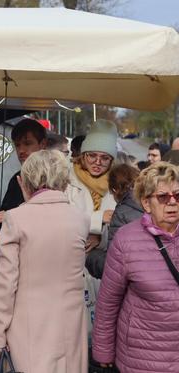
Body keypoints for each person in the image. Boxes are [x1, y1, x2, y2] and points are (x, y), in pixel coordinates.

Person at [0, 150, 89, 373]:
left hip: (29, 329)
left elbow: (5, 284)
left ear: (24, 181)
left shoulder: (15, 219)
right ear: (64, 182)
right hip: (71, 327)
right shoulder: (79, 218)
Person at [92, 162, 179, 373]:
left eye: (178, 195)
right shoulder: (126, 239)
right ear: (146, 203)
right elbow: (108, 302)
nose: (173, 202)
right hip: (141, 357)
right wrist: (103, 351)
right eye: (163, 197)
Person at [66, 119, 118, 252]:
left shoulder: (118, 184)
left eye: (105, 158)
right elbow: (62, 218)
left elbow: (120, 227)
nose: (98, 162)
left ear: (112, 161)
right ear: (83, 155)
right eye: (92, 155)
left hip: (102, 261)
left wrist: (101, 238)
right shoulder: (65, 178)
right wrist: (99, 218)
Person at [85, 164, 141, 279]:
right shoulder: (157, 203)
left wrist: (91, 257)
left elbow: (115, 267)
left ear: (115, 190)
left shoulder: (121, 214)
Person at [0, 118, 47, 224]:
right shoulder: (17, 178)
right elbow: (5, 211)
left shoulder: (54, 177)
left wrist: (11, 217)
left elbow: (50, 217)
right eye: (17, 145)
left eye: (27, 143)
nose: (21, 150)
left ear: (43, 144)